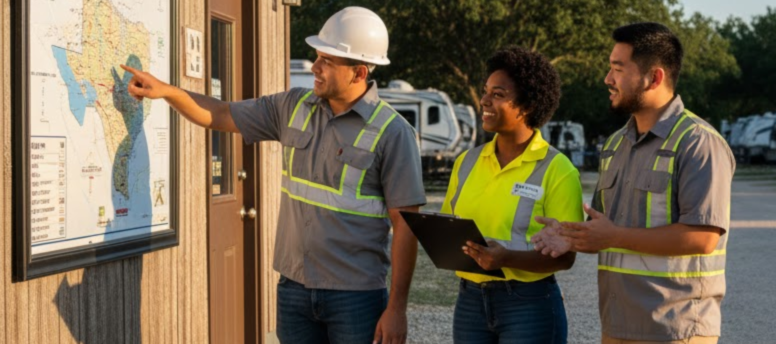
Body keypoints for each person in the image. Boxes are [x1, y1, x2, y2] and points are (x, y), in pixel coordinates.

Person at [122, 7, 423, 344]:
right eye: (317, 56)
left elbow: (406, 226)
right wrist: (167, 92)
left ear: (359, 72)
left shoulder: (394, 133)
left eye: (327, 60)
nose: (315, 67)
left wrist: (396, 308)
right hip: (293, 288)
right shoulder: (293, 106)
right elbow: (220, 114)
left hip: (356, 297)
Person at [533, 22, 735, 344]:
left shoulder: (698, 143)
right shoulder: (615, 144)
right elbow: (604, 229)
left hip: (676, 329)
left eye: (617, 69)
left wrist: (615, 236)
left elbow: (703, 238)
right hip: (617, 325)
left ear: (654, 77)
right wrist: (569, 236)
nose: (607, 79)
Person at [440, 46, 582, 344]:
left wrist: (507, 259)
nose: (484, 101)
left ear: (527, 106)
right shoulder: (465, 162)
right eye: (485, 91)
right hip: (469, 302)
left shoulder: (559, 170)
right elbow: (448, 226)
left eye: (498, 94)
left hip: (528, 305)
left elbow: (566, 257)